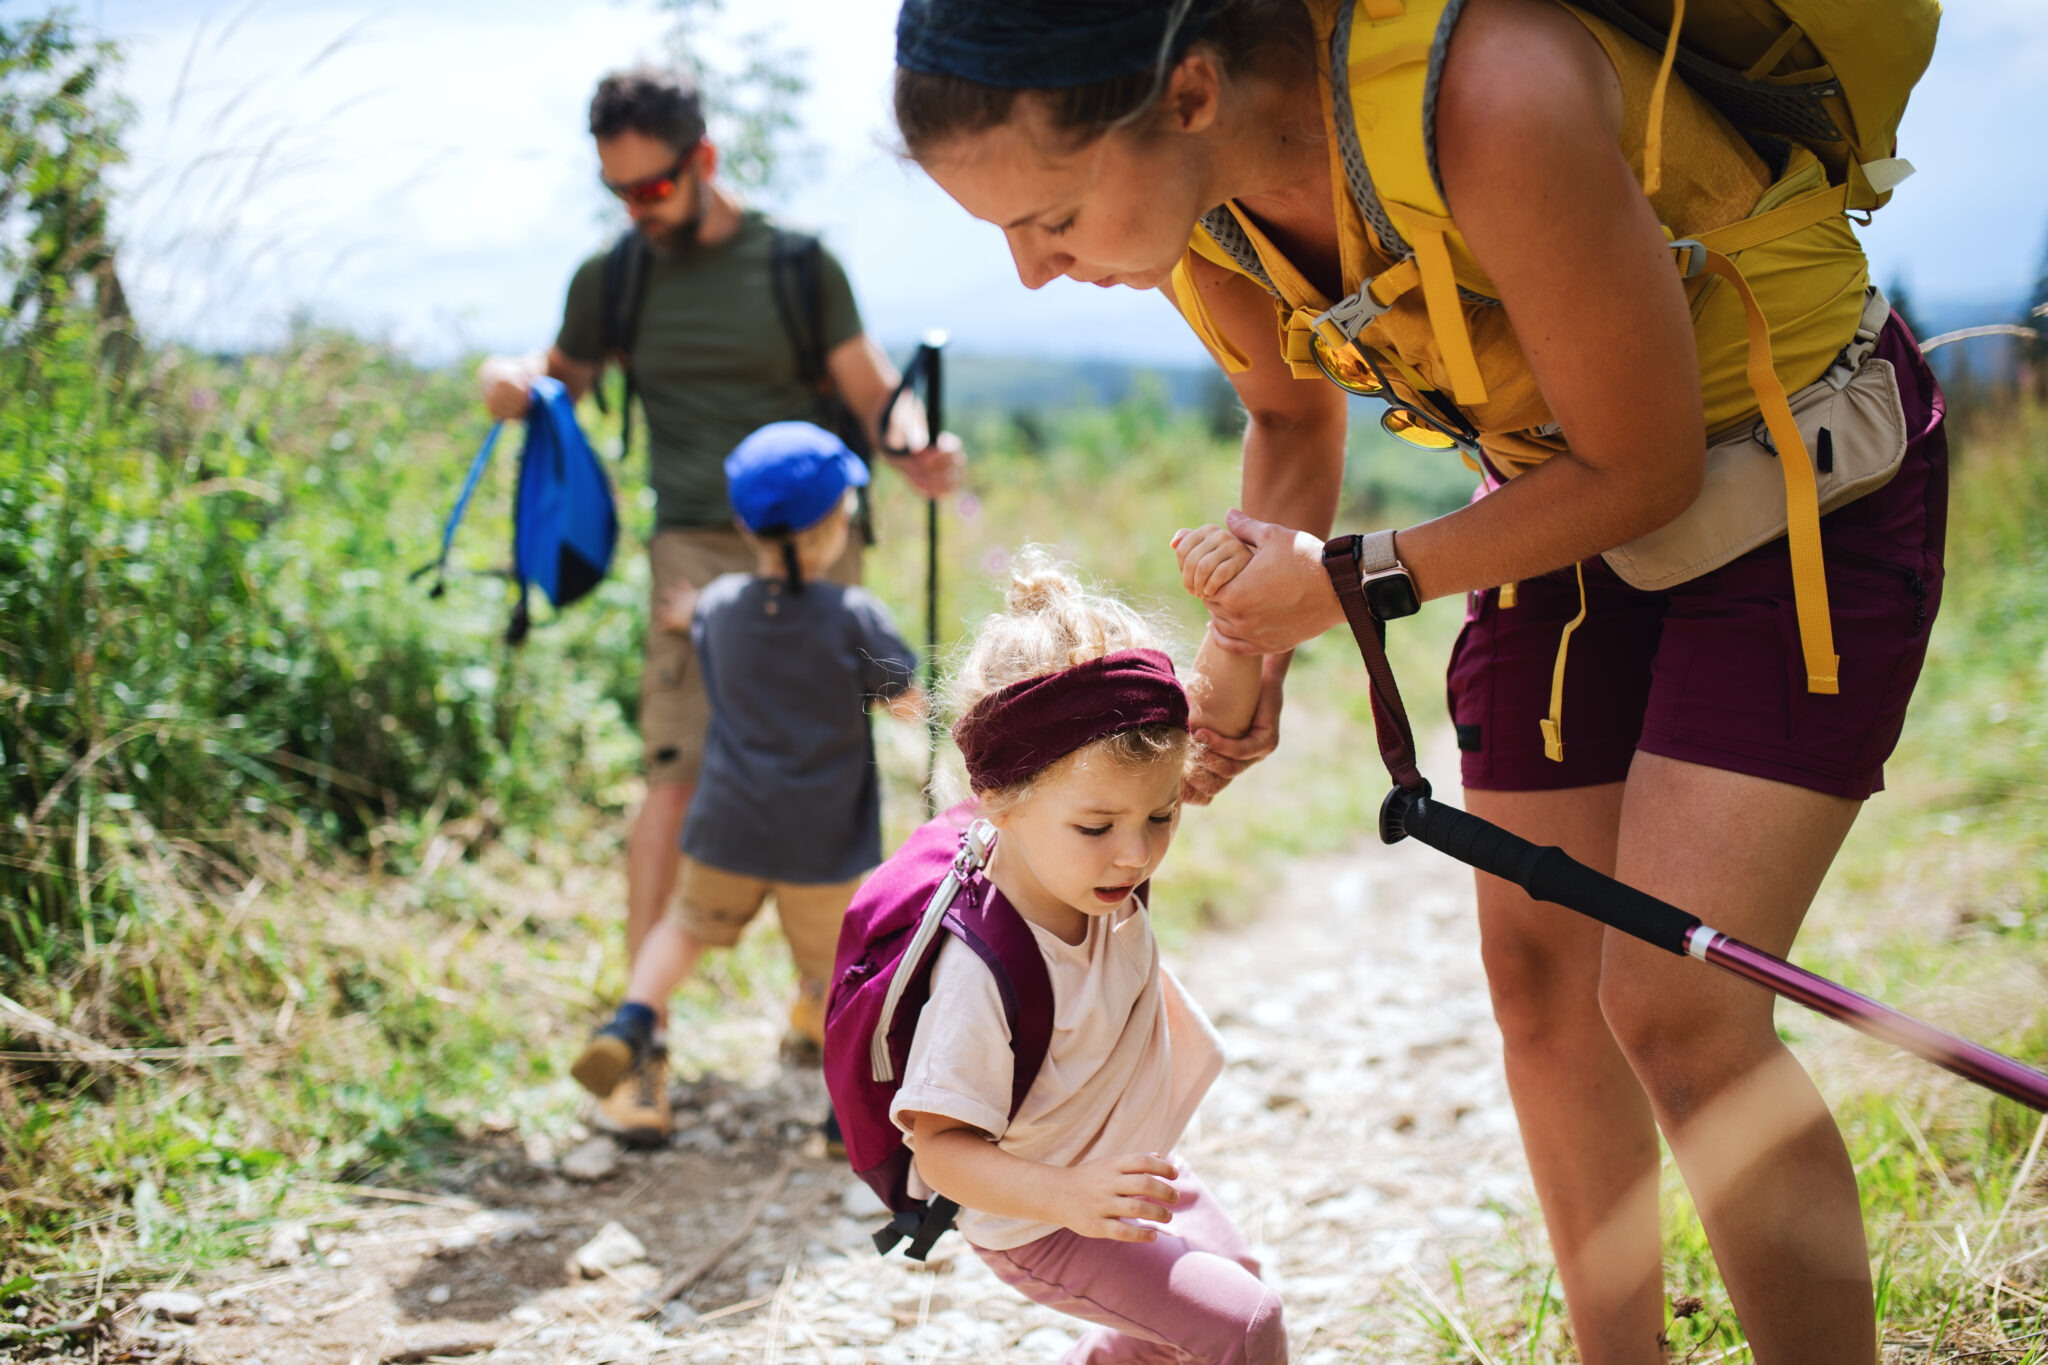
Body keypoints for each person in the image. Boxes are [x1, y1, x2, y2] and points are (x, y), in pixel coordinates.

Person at [889, 2, 1948, 1361]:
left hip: (1796, 471)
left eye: (1050, 213)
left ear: (1192, 92)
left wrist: (1347, 582)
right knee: (1541, 977)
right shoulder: (1199, 198)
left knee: (1679, 1007)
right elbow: (1287, 411)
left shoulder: (1491, 91)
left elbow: (1650, 467)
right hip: (1551, 494)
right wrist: (1240, 656)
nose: (1034, 272)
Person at [476, 66, 964, 1139]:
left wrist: (913, 443)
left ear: (700, 162)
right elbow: (558, 372)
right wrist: (509, 378)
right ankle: (641, 1044)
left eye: (651, 189)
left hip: (822, 544)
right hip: (693, 552)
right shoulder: (615, 276)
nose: (636, 212)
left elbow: (869, 386)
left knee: (830, 765)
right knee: (677, 775)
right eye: (617, 194)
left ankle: (823, 996)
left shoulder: (797, 265)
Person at [888, 553, 1283, 1365]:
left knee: (1223, 1286)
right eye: (1099, 827)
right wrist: (1069, 1196)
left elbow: (1216, 721)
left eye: (1164, 815)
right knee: (1240, 1322)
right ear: (998, 795)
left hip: (1116, 1172)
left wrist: (1239, 621)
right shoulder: (984, 969)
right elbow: (938, 1150)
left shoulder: (1095, 854)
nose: (1136, 855)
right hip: (1044, 1216)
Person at [572, 422, 927, 1145]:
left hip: (727, 826)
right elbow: (909, 699)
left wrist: (684, 611)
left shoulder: (724, 605)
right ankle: (843, 1117)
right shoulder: (854, 616)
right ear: (837, 525)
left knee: (685, 926)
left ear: (743, 524)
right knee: (840, 976)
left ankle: (634, 1015)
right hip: (822, 842)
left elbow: (693, 611)